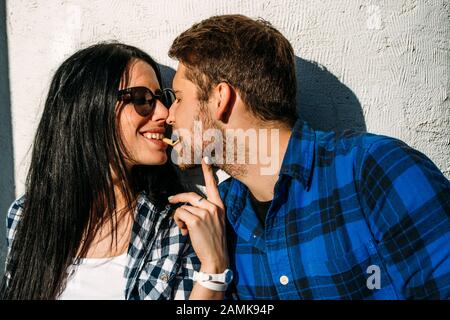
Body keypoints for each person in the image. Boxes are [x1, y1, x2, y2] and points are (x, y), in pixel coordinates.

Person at [166, 14, 450, 299]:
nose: (169, 115)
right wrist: (214, 271)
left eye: (178, 98)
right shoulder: (224, 215)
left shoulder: (373, 169)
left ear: (220, 98)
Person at [1, 42, 228, 300]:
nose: (165, 113)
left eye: (162, 99)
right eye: (143, 99)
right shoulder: (26, 217)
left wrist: (214, 269)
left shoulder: (176, 226)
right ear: (92, 108)